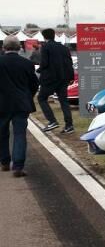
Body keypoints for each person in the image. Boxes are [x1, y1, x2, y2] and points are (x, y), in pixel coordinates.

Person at [1, 35, 39, 178]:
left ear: (3, 48)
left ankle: (4, 162)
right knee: (19, 134)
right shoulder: (27, 64)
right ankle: (18, 166)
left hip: (2, 104)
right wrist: (28, 96)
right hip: (21, 104)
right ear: (19, 48)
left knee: (2, 134)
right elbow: (34, 84)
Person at [36, 28, 74, 134]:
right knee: (64, 101)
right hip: (63, 79)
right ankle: (69, 125)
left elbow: (44, 63)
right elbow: (69, 63)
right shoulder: (64, 48)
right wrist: (71, 77)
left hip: (50, 79)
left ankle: (52, 121)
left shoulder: (45, 47)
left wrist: (38, 70)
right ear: (54, 35)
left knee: (42, 98)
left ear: (44, 37)